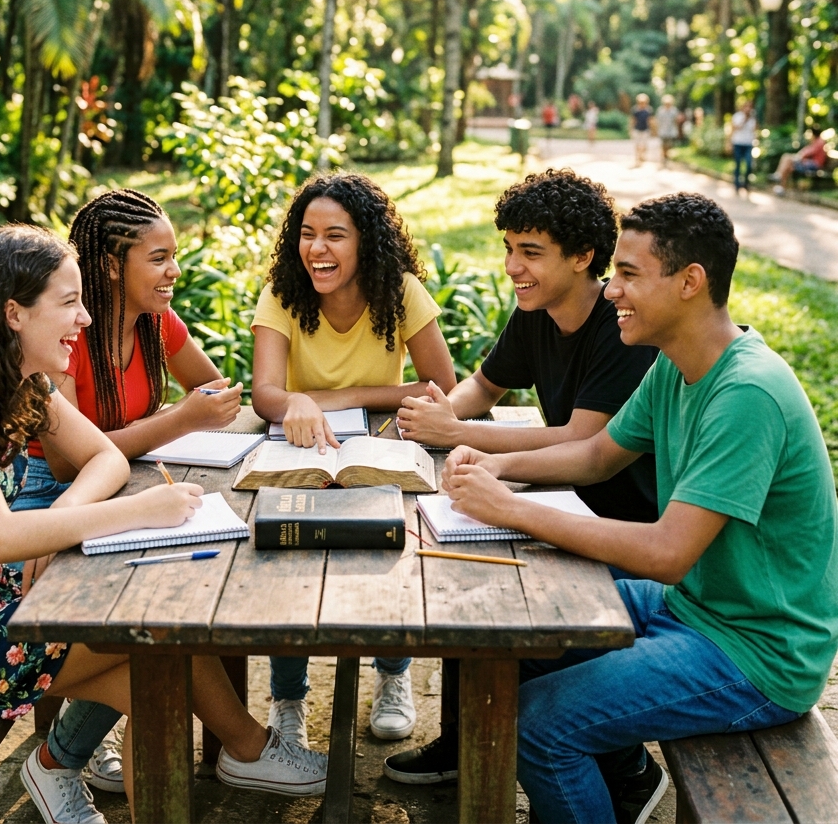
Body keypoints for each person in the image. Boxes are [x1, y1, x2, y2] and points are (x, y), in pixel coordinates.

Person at [0, 225, 328, 824]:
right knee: (158, 651)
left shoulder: (19, 380)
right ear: (14, 314)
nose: (83, 318)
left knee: (158, 662)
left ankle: (74, 769)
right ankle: (242, 751)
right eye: (68, 302)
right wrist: (141, 509)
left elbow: (103, 456)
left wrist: (63, 513)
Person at [416, 194, 838, 824]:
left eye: (630, 274)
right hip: (696, 605)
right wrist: (494, 464)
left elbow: (668, 554)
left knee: (540, 727)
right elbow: (596, 456)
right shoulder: (677, 364)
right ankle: (618, 784)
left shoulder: (746, 393)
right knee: (520, 624)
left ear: (690, 282)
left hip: (754, 652)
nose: (612, 290)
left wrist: (510, 508)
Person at [388, 170, 658, 787]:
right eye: (509, 248)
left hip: (620, 524)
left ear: (584, 256)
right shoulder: (535, 311)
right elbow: (485, 385)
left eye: (530, 252)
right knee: (455, 569)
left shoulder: (622, 328)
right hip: (563, 503)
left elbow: (582, 440)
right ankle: (462, 741)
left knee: (504, 613)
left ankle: (620, 764)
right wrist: (442, 413)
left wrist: (460, 436)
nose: (513, 266)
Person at [11, 188, 248, 811]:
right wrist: (179, 421)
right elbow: (65, 459)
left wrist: (213, 408)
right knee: (149, 611)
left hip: (125, 485)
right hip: (52, 496)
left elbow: (210, 388)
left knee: (190, 583)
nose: (174, 272)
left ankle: (238, 745)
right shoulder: (67, 336)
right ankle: (245, 747)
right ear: (113, 266)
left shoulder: (155, 322)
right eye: (160, 258)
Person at [251, 171, 457, 748]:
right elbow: (265, 394)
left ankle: (393, 677)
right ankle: (288, 698)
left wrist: (346, 397)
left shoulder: (401, 292)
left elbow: (441, 386)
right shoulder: (283, 294)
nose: (318, 249)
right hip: (300, 453)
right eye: (308, 233)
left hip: (379, 448)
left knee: (390, 548)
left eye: (336, 235)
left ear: (366, 241)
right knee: (284, 565)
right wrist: (294, 401)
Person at [772, 126, 829, 194]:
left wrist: (799, 156)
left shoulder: (819, 142)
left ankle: (779, 176)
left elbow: (810, 151)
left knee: (787, 158)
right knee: (788, 166)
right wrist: (799, 155)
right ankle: (781, 186)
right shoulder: (816, 141)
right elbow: (806, 150)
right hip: (808, 163)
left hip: (814, 165)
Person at [730, 99, 757, 193]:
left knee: (749, 164)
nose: (748, 109)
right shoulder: (737, 116)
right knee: (738, 164)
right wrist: (744, 120)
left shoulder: (753, 118)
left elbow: (755, 130)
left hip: (748, 144)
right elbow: (734, 128)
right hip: (738, 143)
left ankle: (746, 183)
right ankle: (737, 185)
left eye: (750, 107)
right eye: (747, 106)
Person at [654, 94, 679, 166]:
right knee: (663, 145)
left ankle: (667, 158)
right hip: (662, 131)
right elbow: (658, 121)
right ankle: (663, 158)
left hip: (671, 131)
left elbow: (675, 121)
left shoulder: (674, 110)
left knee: (669, 145)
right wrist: (656, 130)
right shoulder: (660, 110)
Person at [631, 94, 652, 165]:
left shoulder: (648, 110)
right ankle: (637, 156)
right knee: (637, 144)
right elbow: (633, 120)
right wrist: (631, 128)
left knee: (644, 144)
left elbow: (650, 120)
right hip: (637, 129)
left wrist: (653, 129)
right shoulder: (635, 110)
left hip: (645, 129)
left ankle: (642, 155)